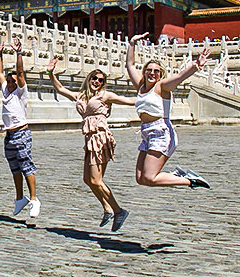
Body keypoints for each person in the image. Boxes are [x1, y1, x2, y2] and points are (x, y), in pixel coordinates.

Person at [47, 57, 136, 231]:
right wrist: (51, 72)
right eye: (94, 78)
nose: (97, 82)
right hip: (89, 140)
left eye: (100, 80)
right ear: (89, 79)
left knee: (96, 180)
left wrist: (151, 94)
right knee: (88, 179)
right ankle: (107, 208)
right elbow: (59, 88)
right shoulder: (80, 96)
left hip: (101, 139)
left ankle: (119, 211)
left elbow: (128, 100)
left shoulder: (106, 96)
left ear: (103, 84)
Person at [126, 32, 211, 193]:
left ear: (160, 75)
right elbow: (130, 65)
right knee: (141, 178)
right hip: (146, 131)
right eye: (149, 70)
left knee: (150, 177)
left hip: (161, 132)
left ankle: (189, 180)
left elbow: (179, 77)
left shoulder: (162, 87)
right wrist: (132, 43)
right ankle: (178, 175)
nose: (152, 73)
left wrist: (195, 65)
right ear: (144, 71)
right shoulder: (141, 87)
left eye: (156, 71)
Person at [0, 37, 40, 218]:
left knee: (26, 165)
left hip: (21, 132)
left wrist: (18, 53)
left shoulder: (20, 93)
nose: (10, 83)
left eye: (13, 80)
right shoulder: (5, 90)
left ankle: (34, 199)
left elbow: (20, 73)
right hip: (9, 135)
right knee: (14, 168)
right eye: (9, 80)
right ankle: (20, 198)